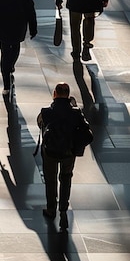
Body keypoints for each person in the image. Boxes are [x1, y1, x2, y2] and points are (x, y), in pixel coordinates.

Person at [37, 82, 91, 228]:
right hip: (68, 152)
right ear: (68, 95)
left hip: (50, 151)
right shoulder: (75, 112)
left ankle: (51, 209)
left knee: (50, 179)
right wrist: (77, 147)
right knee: (66, 179)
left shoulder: (47, 112)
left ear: (54, 93)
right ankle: (63, 212)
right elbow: (88, 133)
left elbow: (39, 123)